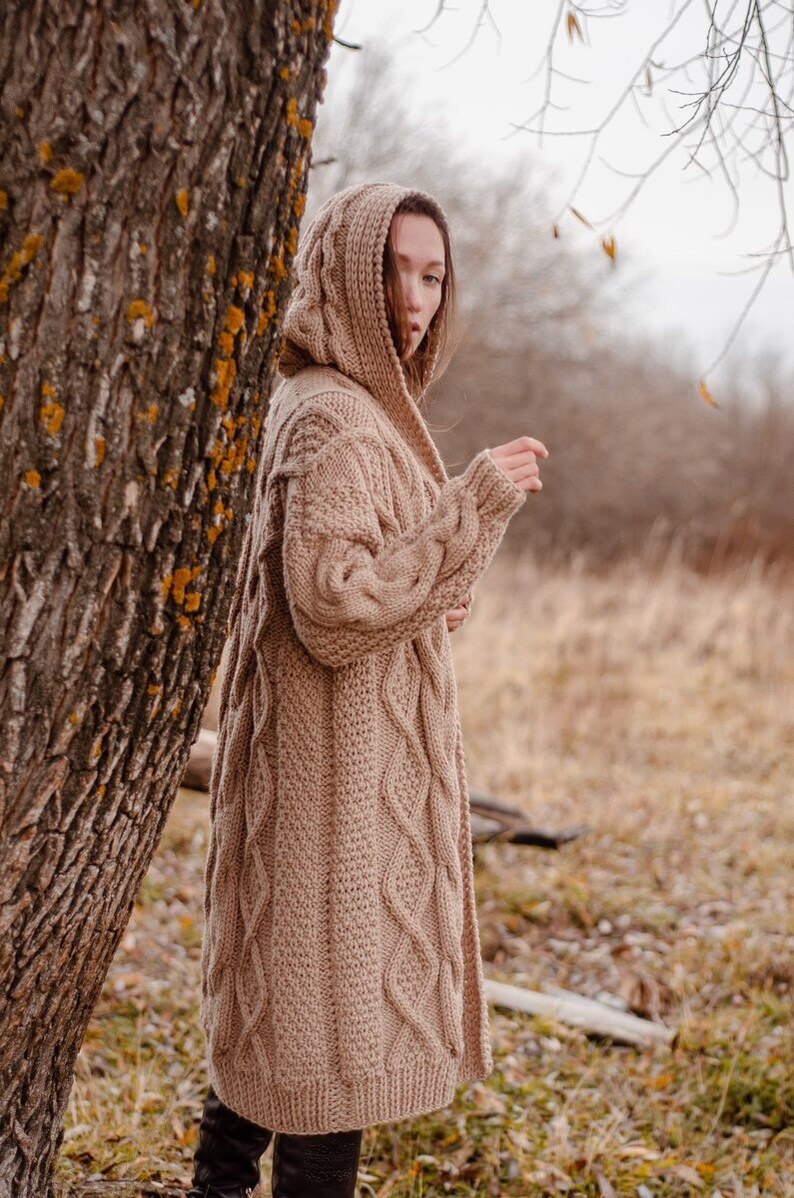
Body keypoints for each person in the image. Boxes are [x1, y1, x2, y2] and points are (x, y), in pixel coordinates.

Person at [187, 181, 547, 1198]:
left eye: (433, 274)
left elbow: (360, 592)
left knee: (275, 1057)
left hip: (310, 783)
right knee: (329, 1081)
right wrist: (473, 503)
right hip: (329, 806)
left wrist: (428, 595)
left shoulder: (324, 401)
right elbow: (336, 609)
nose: (418, 295)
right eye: (395, 267)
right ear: (346, 271)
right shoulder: (340, 420)